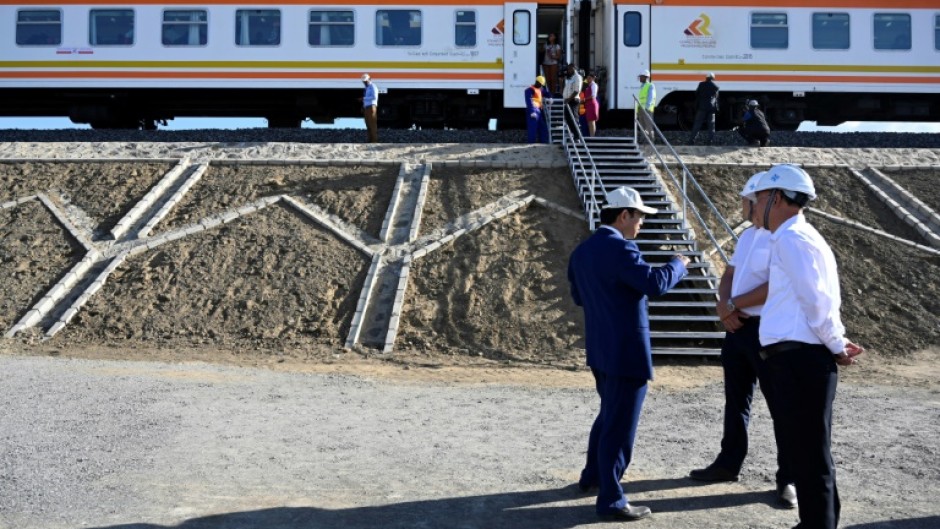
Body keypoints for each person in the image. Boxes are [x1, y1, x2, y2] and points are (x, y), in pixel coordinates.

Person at [748, 164, 864, 529]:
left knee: (811, 455)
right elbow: (819, 299)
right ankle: (816, 521)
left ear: (777, 198)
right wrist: (836, 340)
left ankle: (819, 525)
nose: (754, 206)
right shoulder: (797, 237)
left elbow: (817, 300)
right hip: (798, 357)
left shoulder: (793, 239)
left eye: (759, 198)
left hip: (801, 358)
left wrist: (835, 344)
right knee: (807, 451)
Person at [568, 186, 690, 522]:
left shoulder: (582, 252)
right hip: (626, 352)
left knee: (608, 415)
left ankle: (593, 476)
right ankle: (611, 499)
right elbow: (655, 284)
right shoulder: (622, 250)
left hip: (601, 349)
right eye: (639, 218)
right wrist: (679, 264)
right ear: (624, 215)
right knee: (620, 426)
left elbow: (579, 297)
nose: (641, 225)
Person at [688, 172, 796, 509]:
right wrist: (723, 306)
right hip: (737, 328)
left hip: (768, 330)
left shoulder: (782, 238)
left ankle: (788, 479)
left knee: (782, 407)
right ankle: (728, 463)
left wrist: (734, 305)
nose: (742, 205)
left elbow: (777, 284)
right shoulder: (749, 236)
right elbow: (730, 274)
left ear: (759, 200)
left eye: (745, 200)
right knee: (736, 400)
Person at [689, 73, 719, 145]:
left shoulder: (701, 84)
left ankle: (692, 140)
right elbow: (716, 97)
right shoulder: (715, 86)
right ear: (712, 78)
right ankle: (710, 141)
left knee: (697, 124)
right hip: (711, 108)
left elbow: (696, 93)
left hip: (701, 107)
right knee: (711, 125)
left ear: (706, 78)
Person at [525, 75, 550, 144]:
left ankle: (544, 142)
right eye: (541, 84)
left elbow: (547, 93)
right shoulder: (529, 90)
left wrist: (550, 98)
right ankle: (531, 143)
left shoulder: (540, 89)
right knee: (532, 128)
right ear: (537, 82)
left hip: (539, 111)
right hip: (533, 111)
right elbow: (529, 101)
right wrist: (532, 111)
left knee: (543, 127)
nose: (542, 86)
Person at [562, 64, 583, 133]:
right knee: (568, 118)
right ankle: (573, 134)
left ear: (574, 68)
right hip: (567, 100)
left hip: (573, 100)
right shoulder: (570, 78)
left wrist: (569, 99)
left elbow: (577, 90)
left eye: (569, 69)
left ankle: (577, 136)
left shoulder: (577, 77)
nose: (568, 71)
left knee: (574, 118)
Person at [635, 70, 656, 139]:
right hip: (641, 109)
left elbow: (650, 97)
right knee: (642, 125)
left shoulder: (650, 85)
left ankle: (651, 140)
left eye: (641, 77)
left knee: (649, 125)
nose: (640, 78)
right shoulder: (642, 86)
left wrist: (647, 107)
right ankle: (644, 139)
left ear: (645, 77)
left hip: (647, 109)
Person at [360, 74, 379, 143]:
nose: (364, 83)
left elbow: (374, 97)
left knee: (372, 124)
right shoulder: (367, 88)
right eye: (363, 82)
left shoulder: (373, 86)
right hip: (367, 107)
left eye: (365, 81)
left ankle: (374, 141)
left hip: (371, 107)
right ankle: (370, 140)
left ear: (369, 79)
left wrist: (364, 98)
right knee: (368, 124)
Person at [582, 72, 600, 137]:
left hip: (592, 104)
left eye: (589, 78)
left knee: (592, 121)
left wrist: (585, 99)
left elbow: (593, 95)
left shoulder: (594, 85)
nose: (588, 79)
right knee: (589, 121)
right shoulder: (588, 86)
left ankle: (592, 136)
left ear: (592, 78)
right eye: (587, 78)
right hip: (588, 104)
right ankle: (591, 135)